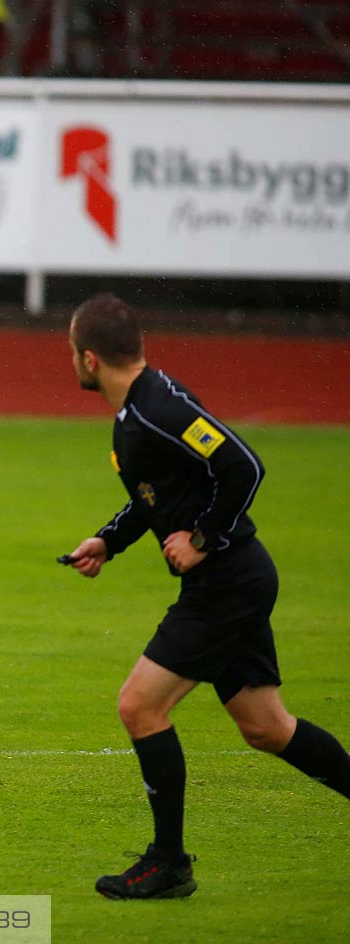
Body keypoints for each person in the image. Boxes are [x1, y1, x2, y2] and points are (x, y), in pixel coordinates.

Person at [61, 293, 350, 900]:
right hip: (231, 579)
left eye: (71, 353)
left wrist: (203, 537)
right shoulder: (139, 408)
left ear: (90, 358)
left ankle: (169, 863)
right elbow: (159, 493)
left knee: (140, 707)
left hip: (227, 580)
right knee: (267, 728)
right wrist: (109, 542)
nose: (71, 363)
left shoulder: (155, 409)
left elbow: (243, 464)